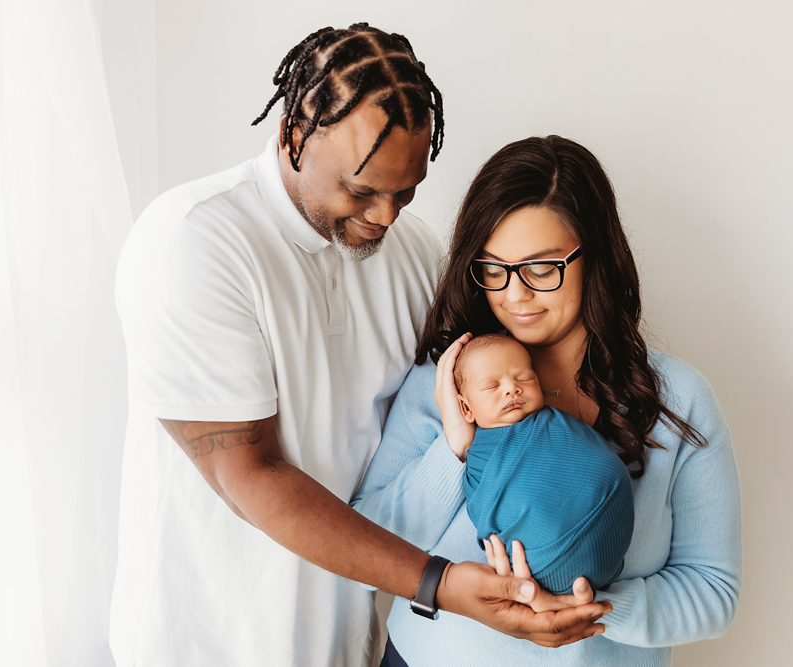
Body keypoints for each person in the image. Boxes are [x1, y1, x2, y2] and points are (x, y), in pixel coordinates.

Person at [110, 24, 609, 667]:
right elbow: (248, 475)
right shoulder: (192, 242)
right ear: (294, 134)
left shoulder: (415, 253)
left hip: (350, 646)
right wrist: (441, 585)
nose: (385, 216)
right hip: (205, 644)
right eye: (361, 189)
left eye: (406, 191)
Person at [352, 135, 742, 666]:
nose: (515, 295)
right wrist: (456, 448)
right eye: (493, 268)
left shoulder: (678, 399)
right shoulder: (446, 383)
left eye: (541, 268)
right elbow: (370, 544)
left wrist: (593, 610)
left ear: (594, 258)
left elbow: (713, 590)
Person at [452, 333, 634, 595]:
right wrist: (457, 443)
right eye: (493, 386)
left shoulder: (557, 423)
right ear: (465, 408)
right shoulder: (479, 460)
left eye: (524, 378)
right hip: (542, 569)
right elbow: (485, 510)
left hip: (611, 528)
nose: (511, 388)